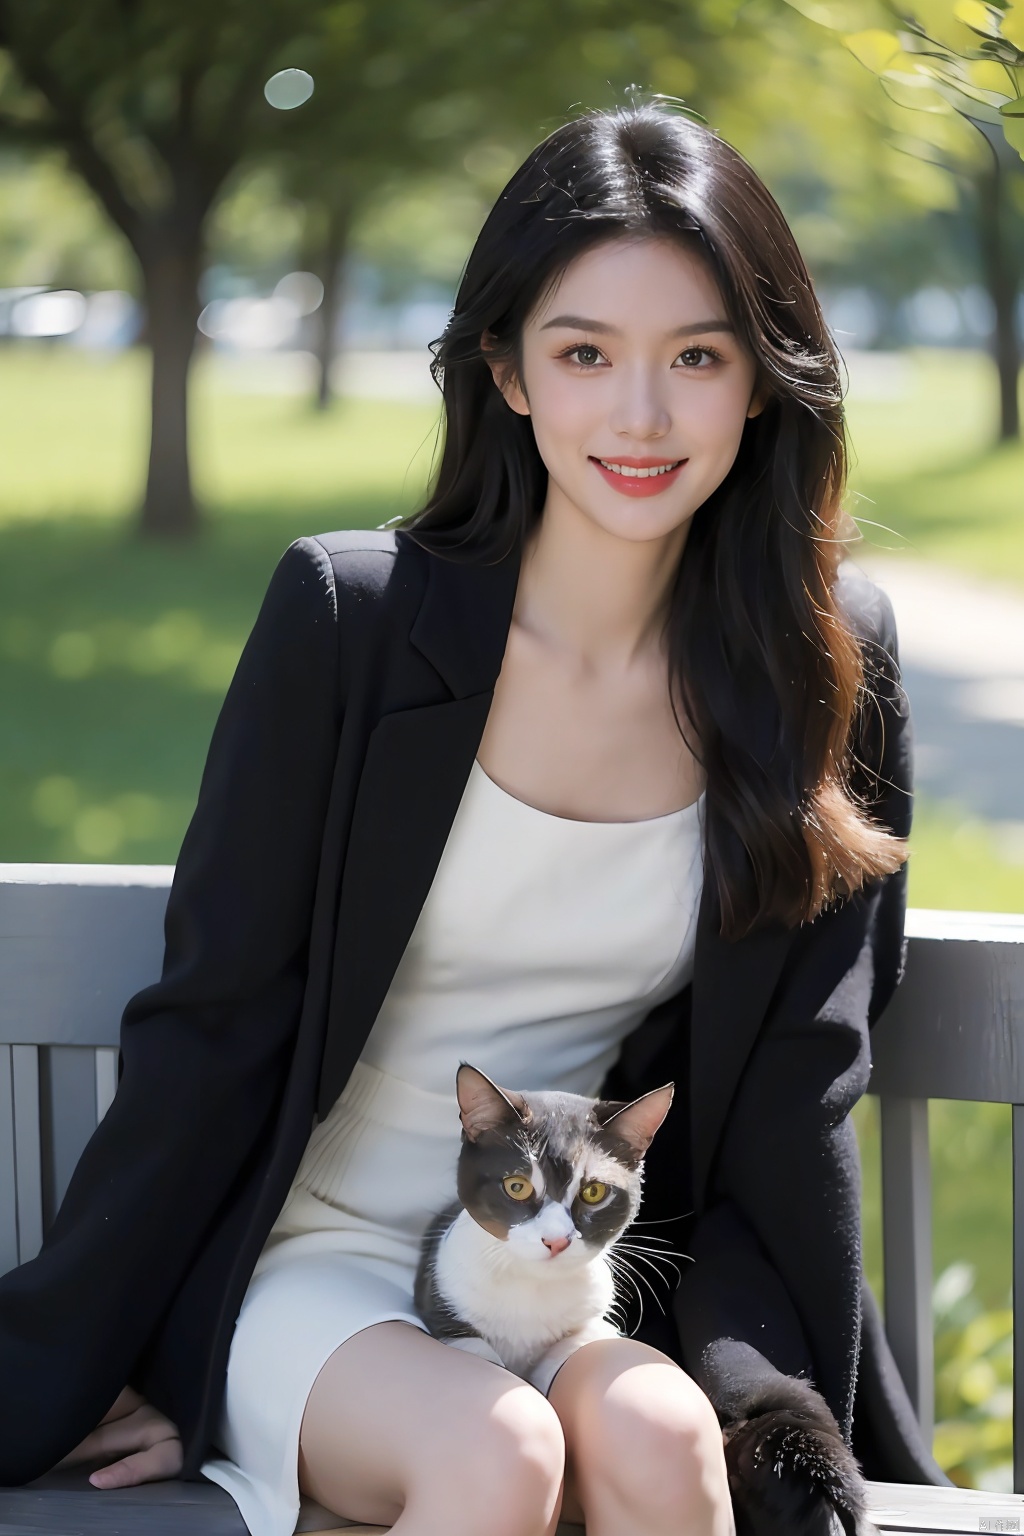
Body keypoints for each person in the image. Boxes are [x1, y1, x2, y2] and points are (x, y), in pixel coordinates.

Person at [0, 99, 951, 1536]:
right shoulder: (357, 625)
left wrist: (776, 1403)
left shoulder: (823, 663)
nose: (642, 416)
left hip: (566, 1265)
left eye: (697, 356)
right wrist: (100, 1356)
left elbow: (794, 1088)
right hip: (312, 1258)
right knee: (498, 1456)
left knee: (660, 1449)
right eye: (586, 354)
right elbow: (213, 1023)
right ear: (506, 370)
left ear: (762, 382)